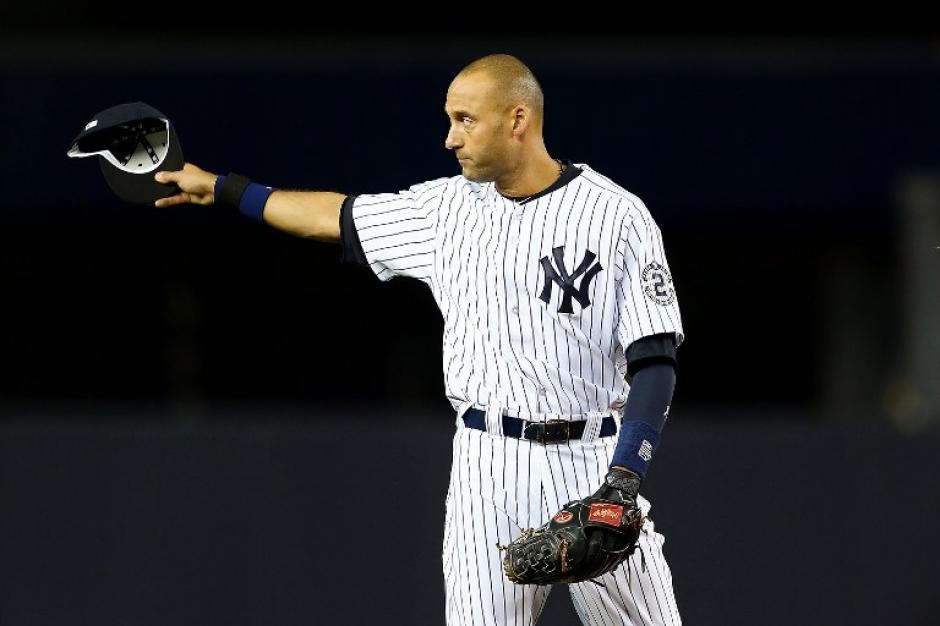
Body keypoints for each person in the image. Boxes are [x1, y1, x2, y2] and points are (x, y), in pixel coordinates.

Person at [155, 53, 685, 626]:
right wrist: (224, 189)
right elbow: (334, 216)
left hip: (595, 460)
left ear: (518, 119)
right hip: (488, 465)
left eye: (464, 120)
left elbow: (654, 358)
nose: (450, 139)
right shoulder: (444, 210)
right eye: (449, 120)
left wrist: (625, 480)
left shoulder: (615, 215)